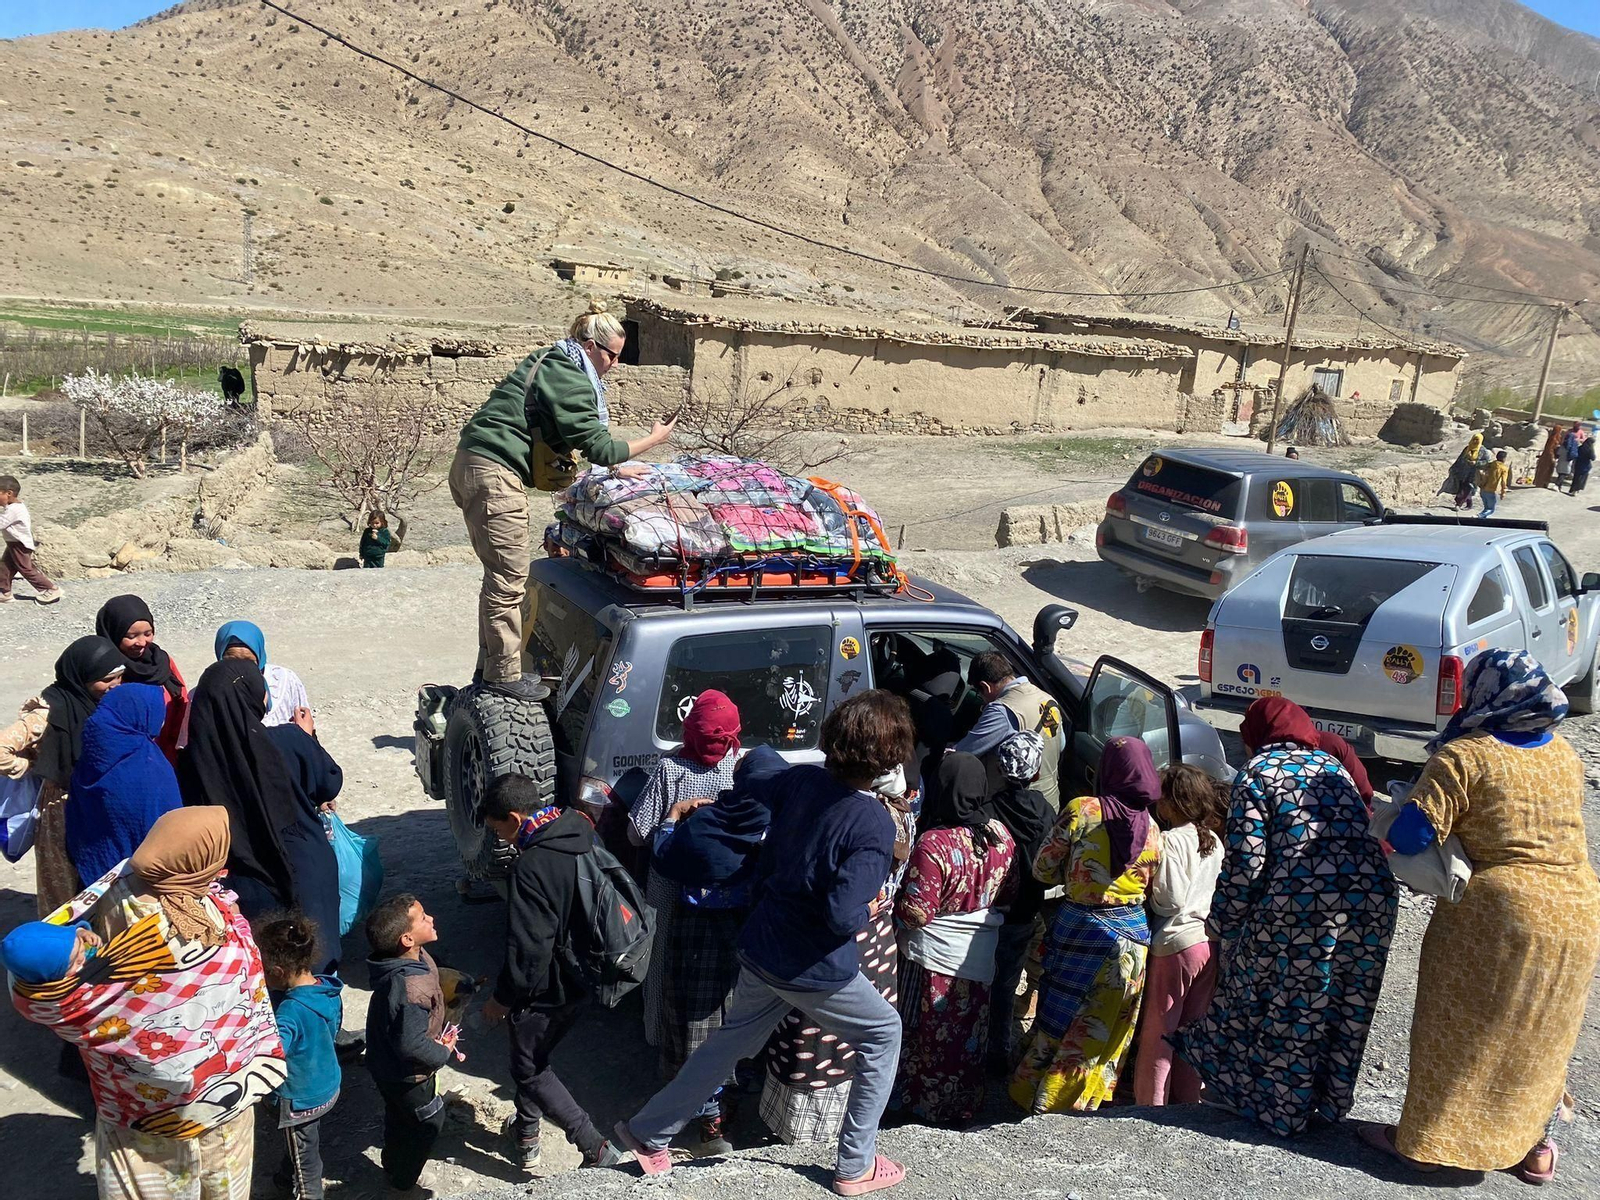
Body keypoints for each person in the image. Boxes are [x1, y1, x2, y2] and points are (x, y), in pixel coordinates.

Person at [615, 690, 913, 1197]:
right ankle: (855, 1165)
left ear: (830, 740)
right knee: (883, 1034)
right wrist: (872, 904)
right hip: (812, 965)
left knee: (728, 1042)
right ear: (891, 759)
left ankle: (647, 1133)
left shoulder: (800, 780)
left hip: (761, 945)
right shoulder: (872, 823)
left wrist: (737, 776)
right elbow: (841, 915)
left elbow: (752, 770)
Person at [1358, 651, 1600, 1183]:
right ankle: (1536, 1148)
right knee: (1542, 1030)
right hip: (1579, 908)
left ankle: (1423, 1142)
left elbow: (1411, 837)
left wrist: (1394, 809)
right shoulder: (1565, 754)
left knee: (1461, 1027)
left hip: (1501, 915)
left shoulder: (1465, 757)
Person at [8, 807, 287, 1200]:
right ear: (198, 861)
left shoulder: (113, 891)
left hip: (138, 1109)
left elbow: (79, 984)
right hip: (221, 1099)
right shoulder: (214, 913)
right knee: (221, 1182)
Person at [1171, 697, 1396, 1137]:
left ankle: (1280, 1111)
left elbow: (1246, 864)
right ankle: (1328, 1107)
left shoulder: (1258, 773)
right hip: (1373, 903)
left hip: (1304, 909)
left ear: (1256, 732)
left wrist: (1222, 925)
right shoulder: (1333, 767)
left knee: (1285, 1003)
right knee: (1342, 1001)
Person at [450, 302, 676, 699]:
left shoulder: (551, 361)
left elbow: (578, 440)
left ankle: (489, 667)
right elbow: (601, 447)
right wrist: (654, 439)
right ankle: (503, 677)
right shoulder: (569, 377)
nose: (615, 365)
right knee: (509, 579)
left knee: (499, 577)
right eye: (612, 355)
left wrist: (616, 469)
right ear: (590, 346)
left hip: (475, 465)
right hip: (493, 474)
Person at [758, 755, 917, 1150]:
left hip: (835, 942)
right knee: (855, 1042)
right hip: (878, 943)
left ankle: (799, 1129)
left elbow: (840, 904)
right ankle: (852, 1139)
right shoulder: (901, 817)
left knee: (810, 1035)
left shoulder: (847, 812)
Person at [477, 775, 627, 1170]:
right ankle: (526, 1135)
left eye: (498, 830)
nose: (501, 839)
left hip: (548, 989)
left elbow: (528, 951)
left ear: (513, 817)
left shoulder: (532, 864)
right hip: (584, 975)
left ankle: (594, 1146)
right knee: (533, 1055)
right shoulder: (579, 829)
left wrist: (501, 1000)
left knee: (528, 1069)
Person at [1009, 737, 1162, 1114]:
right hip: (1132, 942)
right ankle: (1079, 1105)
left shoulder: (1082, 810)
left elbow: (1042, 869)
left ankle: (1036, 1099)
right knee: (1102, 1027)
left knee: (1060, 1016)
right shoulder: (1154, 829)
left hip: (1081, 931)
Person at [648, 747, 789, 1155]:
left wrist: (673, 817)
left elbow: (664, 857)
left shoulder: (707, 823)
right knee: (743, 1017)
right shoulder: (779, 826)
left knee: (700, 1024)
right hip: (755, 937)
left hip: (700, 937)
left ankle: (707, 1116)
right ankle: (733, 1098)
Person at [177, 658, 341, 975]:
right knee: (318, 959)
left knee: (268, 966)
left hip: (244, 879)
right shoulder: (288, 741)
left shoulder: (193, 763)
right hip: (305, 863)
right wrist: (307, 738)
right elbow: (328, 782)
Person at [894, 753, 1015, 1126]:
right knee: (968, 1034)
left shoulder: (935, 844)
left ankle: (918, 1110)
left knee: (925, 1034)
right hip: (978, 957)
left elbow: (916, 913)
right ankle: (962, 1105)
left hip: (931, 960)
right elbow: (1008, 895)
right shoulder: (1000, 835)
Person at [627, 690, 741, 1054]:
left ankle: (659, 1036)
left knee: (661, 959)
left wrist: (674, 819)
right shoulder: (737, 766)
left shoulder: (670, 770)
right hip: (723, 889)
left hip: (669, 886)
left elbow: (635, 834)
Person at [0, 636, 126, 916]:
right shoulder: (49, 712)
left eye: (119, 677)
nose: (114, 685)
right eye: (107, 679)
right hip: (61, 812)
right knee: (63, 890)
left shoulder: (99, 703)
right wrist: (31, 768)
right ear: (82, 676)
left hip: (95, 806)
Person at [1133, 764, 1225, 1106]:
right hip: (1207, 942)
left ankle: (1150, 1106)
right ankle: (1187, 1103)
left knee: (1159, 1033)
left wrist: (1149, 891)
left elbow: (1170, 900)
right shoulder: (1214, 840)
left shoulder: (1172, 840)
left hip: (1175, 944)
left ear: (1173, 802)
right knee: (1191, 1030)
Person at [365, 894, 460, 1197]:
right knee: (428, 1121)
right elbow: (410, 1044)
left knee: (399, 1116)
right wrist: (442, 1052)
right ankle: (403, 1182)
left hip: (386, 1066)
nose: (431, 918)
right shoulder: (411, 988)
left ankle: (392, 1165)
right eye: (422, 918)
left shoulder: (405, 961)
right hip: (408, 1076)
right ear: (407, 938)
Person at [257, 912, 343, 1200]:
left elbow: (273, 1053)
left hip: (299, 1099)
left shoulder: (290, 1011)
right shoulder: (328, 990)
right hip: (327, 1084)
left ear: (278, 972)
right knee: (302, 1144)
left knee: (307, 1165)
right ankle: (283, 1178)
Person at [66, 683, 183, 889]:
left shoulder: (93, 757)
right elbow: (171, 829)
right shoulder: (149, 765)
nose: (162, 720)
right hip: (146, 883)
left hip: (96, 875)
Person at [985, 731, 1055, 1073]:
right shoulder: (1044, 810)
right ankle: (999, 1050)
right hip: (1026, 909)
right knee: (1007, 982)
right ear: (1036, 773)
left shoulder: (988, 807)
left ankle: (975, 1044)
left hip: (990, 908)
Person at [950, 652, 1065, 811]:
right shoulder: (1047, 699)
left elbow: (963, 753)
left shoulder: (1002, 710)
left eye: (979, 692)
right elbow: (1060, 744)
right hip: (1049, 804)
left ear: (985, 686)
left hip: (1014, 810)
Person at [95, 594, 189, 761]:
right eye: (131, 637)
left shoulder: (160, 660)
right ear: (112, 633)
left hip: (168, 752)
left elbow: (181, 698)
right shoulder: (106, 672)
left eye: (148, 633)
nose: (142, 642)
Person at [213, 620, 312, 728]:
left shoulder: (285, 682)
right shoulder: (209, 694)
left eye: (248, 661)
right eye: (232, 661)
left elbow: (305, 726)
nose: (240, 668)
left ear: (260, 659)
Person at [0, 473, 63, 603]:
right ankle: (5, 593)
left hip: (20, 545)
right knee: (5, 567)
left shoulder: (14, 510)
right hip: (13, 544)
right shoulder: (12, 507)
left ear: (9, 493)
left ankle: (51, 589)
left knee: (26, 569)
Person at [1439, 434, 1489, 510]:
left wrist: (1476, 463)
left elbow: (1486, 462)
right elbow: (1460, 459)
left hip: (1474, 475)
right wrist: (1454, 468)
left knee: (1467, 489)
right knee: (1463, 488)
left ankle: (1458, 504)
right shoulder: (1467, 448)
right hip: (1463, 473)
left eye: (1477, 440)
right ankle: (1469, 505)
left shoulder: (1483, 451)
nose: (1475, 441)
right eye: (1474, 439)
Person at [1478, 448, 1510, 517]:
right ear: (1504, 458)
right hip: (1492, 490)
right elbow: (1503, 481)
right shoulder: (1503, 468)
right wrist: (1503, 492)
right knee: (1490, 509)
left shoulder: (1490, 464)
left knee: (1486, 508)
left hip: (1483, 489)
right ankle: (1479, 516)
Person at [1557, 421, 1584, 486]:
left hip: (1575, 449)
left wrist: (1578, 440)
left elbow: (1583, 439)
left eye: (1578, 425)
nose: (1577, 426)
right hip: (1566, 449)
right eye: (1576, 425)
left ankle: (1569, 475)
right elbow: (1565, 438)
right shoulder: (1569, 431)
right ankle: (1563, 476)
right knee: (1564, 464)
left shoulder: (1581, 432)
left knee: (1572, 464)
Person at [1569, 431, 1596, 496]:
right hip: (1585, 466)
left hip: (1578, 464)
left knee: (1576, 477)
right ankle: (1577, 490)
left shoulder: (1580, 447)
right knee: (1582, 478)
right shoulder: (1590, 450)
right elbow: (1593, 458)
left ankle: (1573, 490)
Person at [1534, 425, 1561, 490]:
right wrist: (1552, 457)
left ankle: (1544, 483)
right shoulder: (1553, 439)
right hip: (1548, 457)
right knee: (1545, 470)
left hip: (1548, 456)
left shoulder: (1556, 438)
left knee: (1547, 471)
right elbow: (1549, 449)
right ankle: (1541, 483)